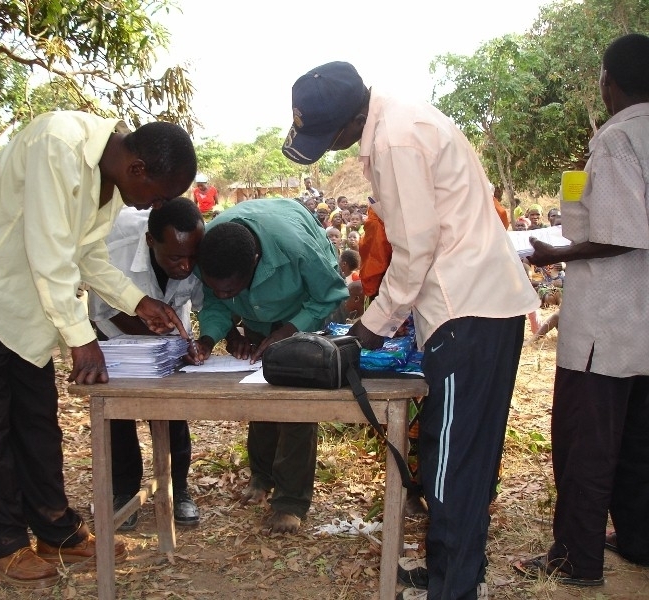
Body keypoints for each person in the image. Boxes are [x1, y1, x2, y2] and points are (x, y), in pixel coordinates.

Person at [283, 61, 538, 600]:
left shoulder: (395, 139)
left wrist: (369, 328)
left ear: (354, 119)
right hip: (480, 307)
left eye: (331, 137)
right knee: (464, 456)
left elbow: (415, 249)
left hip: (466, 311)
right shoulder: (403, 120)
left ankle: (453, 587)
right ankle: (453, 571)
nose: (331, 149)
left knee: (450, 464)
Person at [0, 111, 197, 589]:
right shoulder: (58, 144)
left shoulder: (112, 180)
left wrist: (137, 300)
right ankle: (3, 542)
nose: (157, 206)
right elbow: (49, 253)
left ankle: (57, 532)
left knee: (37, 421)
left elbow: (87, 256)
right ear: (137, 169)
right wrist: (82, 339)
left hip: (25, 306)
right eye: (159, 195)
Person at [514, 33, 649, 585]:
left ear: (607, 81)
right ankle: (638, 539)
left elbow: (621, 233)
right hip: (641, 322)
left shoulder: (617, 139)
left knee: (585, 445)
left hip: (606, 323)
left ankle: (576, 559)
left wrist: (556, 254)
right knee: (638, 440)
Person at [189, 199, 348, 534]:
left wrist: (288, 332)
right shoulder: (210, 250)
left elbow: (330, 295)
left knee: (295, 404)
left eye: (231, 289)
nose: (223, 294)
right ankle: (261, 478)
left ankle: (290, 502)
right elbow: (215, 302)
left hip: (304, 310)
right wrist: (214, 337)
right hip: (260, 319)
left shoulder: (298, 249)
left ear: (255, 264)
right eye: (217, 286)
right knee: (260, 392)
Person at [87, 198, 205, 531]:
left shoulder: (196, 248)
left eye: (192, 257)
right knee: (117, 415)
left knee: (171, 412)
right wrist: (151, 332)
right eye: (176, 258)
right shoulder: (115, 248)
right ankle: (123, 491)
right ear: (151, 241)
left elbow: (206, 303)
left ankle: (177, 488)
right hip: (118, 339)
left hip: (172, 342)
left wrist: (196, 343)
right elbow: (101, 312)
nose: (186, 266)